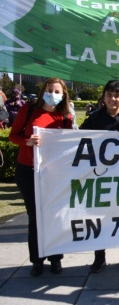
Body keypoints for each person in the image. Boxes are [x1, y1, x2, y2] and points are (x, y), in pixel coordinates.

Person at [9, 78, 74, 276]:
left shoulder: (65, 117)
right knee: (35, 216)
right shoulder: (28, 110)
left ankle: (56, 258)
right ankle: (37, 260)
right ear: (43, 92)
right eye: (49, 90)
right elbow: (13, 135)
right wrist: (27, 142)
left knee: (55, 215)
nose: (53, 94)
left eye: (57, 91)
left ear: (63, 94)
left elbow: (69, 143)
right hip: (28, 170)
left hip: (54, 173)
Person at [80, 80, 119, 273]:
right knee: (101, 217)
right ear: (104, 97)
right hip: (101, 178)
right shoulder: (95, 117)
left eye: (117, 95)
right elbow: (76, 139)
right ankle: (99, 257)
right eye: (109, 94)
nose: (112, 99)